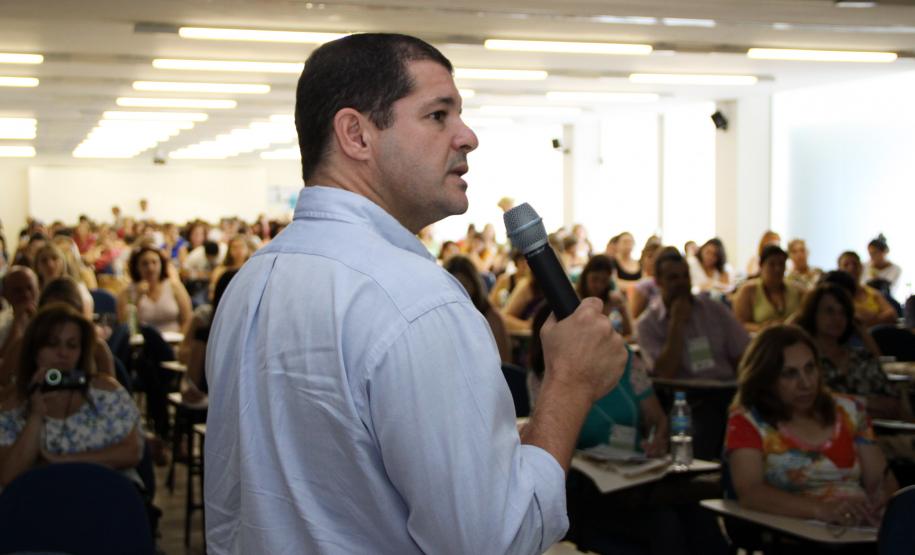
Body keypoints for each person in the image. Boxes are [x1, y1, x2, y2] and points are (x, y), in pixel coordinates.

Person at [204, 33, 627, 554]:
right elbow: (495, 540)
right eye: (438, 116)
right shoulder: (416, 301)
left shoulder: (253, 281)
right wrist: (569, 383)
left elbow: (231, 513)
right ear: (356, 134)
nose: (467, 136)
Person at [726, 325, 899, 528]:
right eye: (790, 374)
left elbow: (880, 480)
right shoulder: (747, 420)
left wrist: (882, 503)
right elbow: (751, 492)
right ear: (766, 379)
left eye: (810, 368)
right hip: (793, 529)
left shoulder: (850, 410)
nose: (806, 383)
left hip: (859, 528)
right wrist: (821, 510)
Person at [0, 303, 143, 487]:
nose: (63, 353)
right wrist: (36, 415)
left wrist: (59, 461)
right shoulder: (13, 406)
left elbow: (132, 452)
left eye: (72, 345)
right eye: (52, 345)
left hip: (107, 500)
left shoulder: (106, 393)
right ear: (34, 352)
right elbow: (8, 476)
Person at [636, 248, 750, 458]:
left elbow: (746, 353)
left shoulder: (714, 310)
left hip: (729, 392)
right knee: (702, 425)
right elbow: (663, 373)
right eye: (673, 277)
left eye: (684, 276)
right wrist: (676, 324)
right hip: (686, 399)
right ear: (658, 282)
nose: (681, 282)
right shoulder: (648, 324)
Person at [794, 284, 905, 420]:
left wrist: (845, 405)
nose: (837, 318)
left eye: (843, 313)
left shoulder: (862, 357)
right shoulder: (804, 362)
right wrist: (866, 403)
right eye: (829, 311)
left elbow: (893, 406)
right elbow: (809, 408)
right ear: (813, 314)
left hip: (883, 433)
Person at [443, 255, 511, 363]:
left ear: (475, 285)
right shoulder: (442, 317)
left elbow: (505, 363)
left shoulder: (491, 318)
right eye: (452, 286)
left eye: (464, 285)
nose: (458, 292)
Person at [117, 246, 191, 335]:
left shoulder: (175, 287)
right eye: (145, 264)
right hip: (141, 344)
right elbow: (124, 324)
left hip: (174, 340)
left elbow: (187, 319)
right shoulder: (126, 293)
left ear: (161, 265)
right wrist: (137, 298)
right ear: (136, 267)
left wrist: (181, 338)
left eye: (154, 262)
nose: (150, 268)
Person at [733, 245, 804, 333]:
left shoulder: (798, 290)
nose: (777, 269)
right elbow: (738, 324)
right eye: (772, 264)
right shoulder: (748, 290)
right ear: (761, 265)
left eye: (781, 264)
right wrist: (761, 328)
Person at [837, 251, 897, 328]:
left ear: (861, 267)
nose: (851, 267)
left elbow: (892, 314)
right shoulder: (837, 294)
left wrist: (871, 320)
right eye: (846, 265)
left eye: (855, 264)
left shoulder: (872, 292)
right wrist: (878, 317)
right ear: (839, 269)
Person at [576, 254, 632, 336]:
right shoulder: (574, 299)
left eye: (604, 281)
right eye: (595, 279)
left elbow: (629, 332)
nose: (599, 285)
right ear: (585, 276)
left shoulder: (614, 300)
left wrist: (623, 309)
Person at [629, 242, 662, 320]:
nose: (653, 260)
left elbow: (633, 316)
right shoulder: (643, 282)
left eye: (657, 257)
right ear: (643, 260)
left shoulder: (644, 285)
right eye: (650, 256)